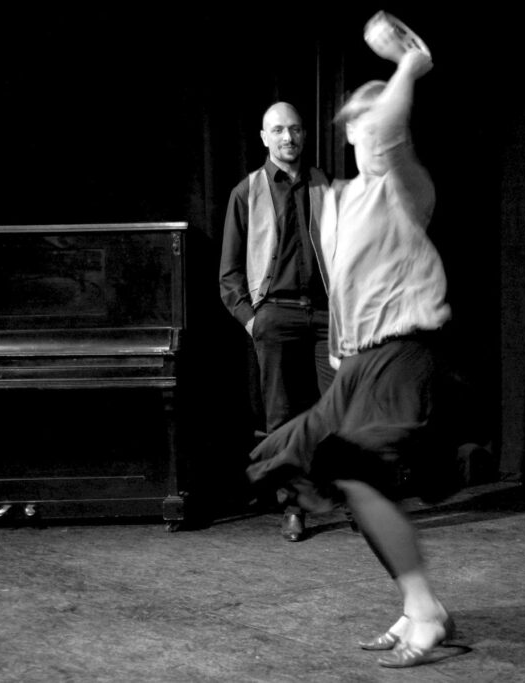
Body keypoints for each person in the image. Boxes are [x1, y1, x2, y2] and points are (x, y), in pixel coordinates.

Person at [245, 31, 462, 669]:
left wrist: (408, 66)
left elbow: (390, 130)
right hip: (359, 363)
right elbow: (346, 286)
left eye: (375, 119)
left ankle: (424, 609)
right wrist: (341, 352)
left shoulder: (405, 186)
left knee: (360, 473)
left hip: (403, 353)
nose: (366, 130)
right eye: (358, 123)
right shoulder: (343, 199)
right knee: (330, 470)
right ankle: (420, 606)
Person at [220, 102, 335, 542]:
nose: (289, 138)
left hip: (325, 314)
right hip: (275, 314)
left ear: (304, 134)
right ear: (264, 137)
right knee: (283, 417)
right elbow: (229, 273)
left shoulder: (326, 185)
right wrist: (253, 321)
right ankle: (293, 507)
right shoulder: (246, 191)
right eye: (279, 130)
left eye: (296, 129)